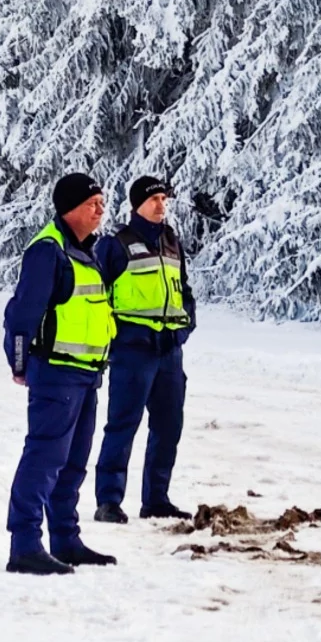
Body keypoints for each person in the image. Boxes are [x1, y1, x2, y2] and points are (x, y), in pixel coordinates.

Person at [1, 173, 119, 575]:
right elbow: (21, 314)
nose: (100, 209)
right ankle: (24, 545)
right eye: (92, 204)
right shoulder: (48, 251)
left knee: (73, 462)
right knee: (45, 458)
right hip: (56, 375)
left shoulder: (90, 251)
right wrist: (19, 364)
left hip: (86, 375)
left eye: (102, 202)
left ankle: (65, 540)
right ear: (69, 209)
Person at [92, 176, 195, 523]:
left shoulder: (171, 242)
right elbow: (97, 297)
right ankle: (108, 500)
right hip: (133, 352)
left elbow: (184, 290)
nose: (161, 205)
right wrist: (113, 340)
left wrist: (185, 328)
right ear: (137, 204)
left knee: (169, 426)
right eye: (154, 200)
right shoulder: (116, 245)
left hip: (169, 352)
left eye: (164, 199)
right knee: (122, 425)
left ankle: (156, 499)